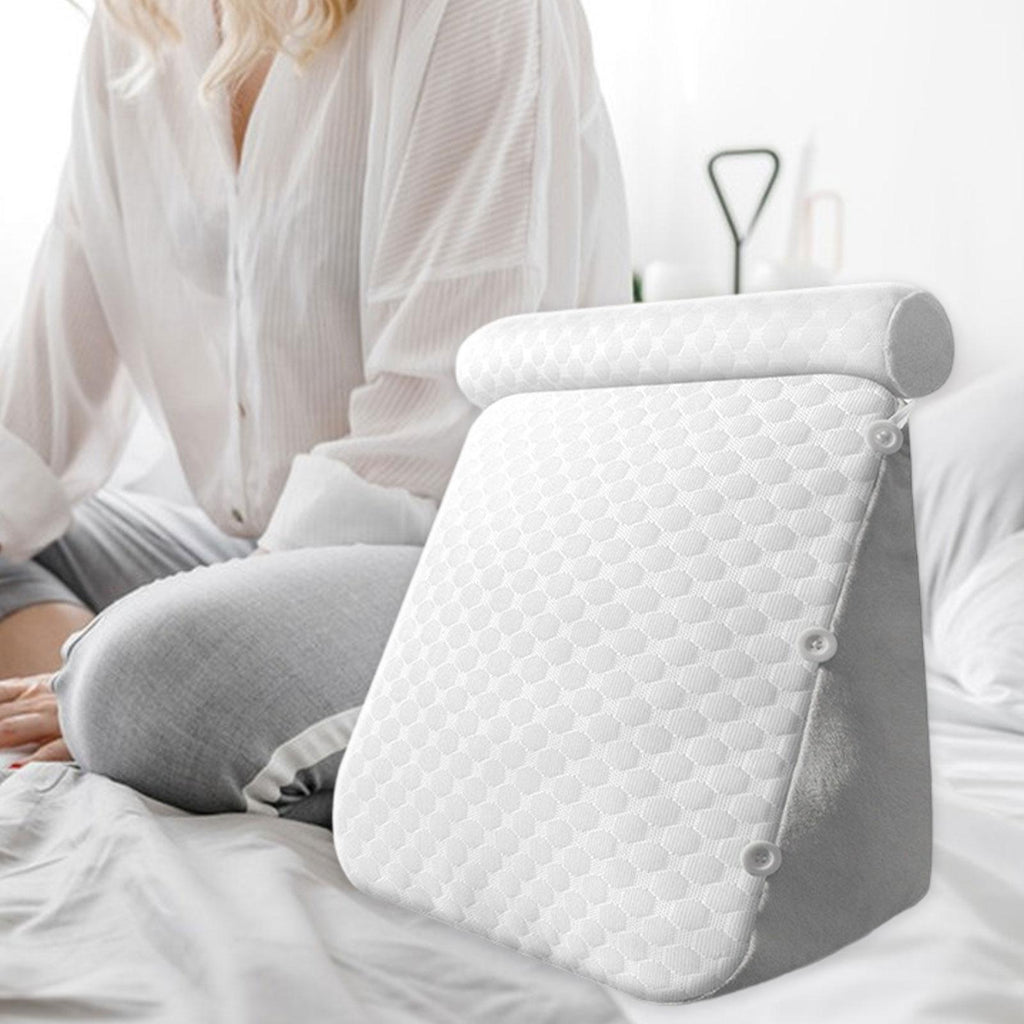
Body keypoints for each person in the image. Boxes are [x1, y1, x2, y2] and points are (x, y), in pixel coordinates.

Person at [0, 0, 630, 825]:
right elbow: (39, 423)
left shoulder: (474, 14)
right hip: (259, 551)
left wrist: (156, 654)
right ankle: (119, 719)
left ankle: (133, 707)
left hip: (465, 572)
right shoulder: (138, 28)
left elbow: (429, 429)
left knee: (146, 681)